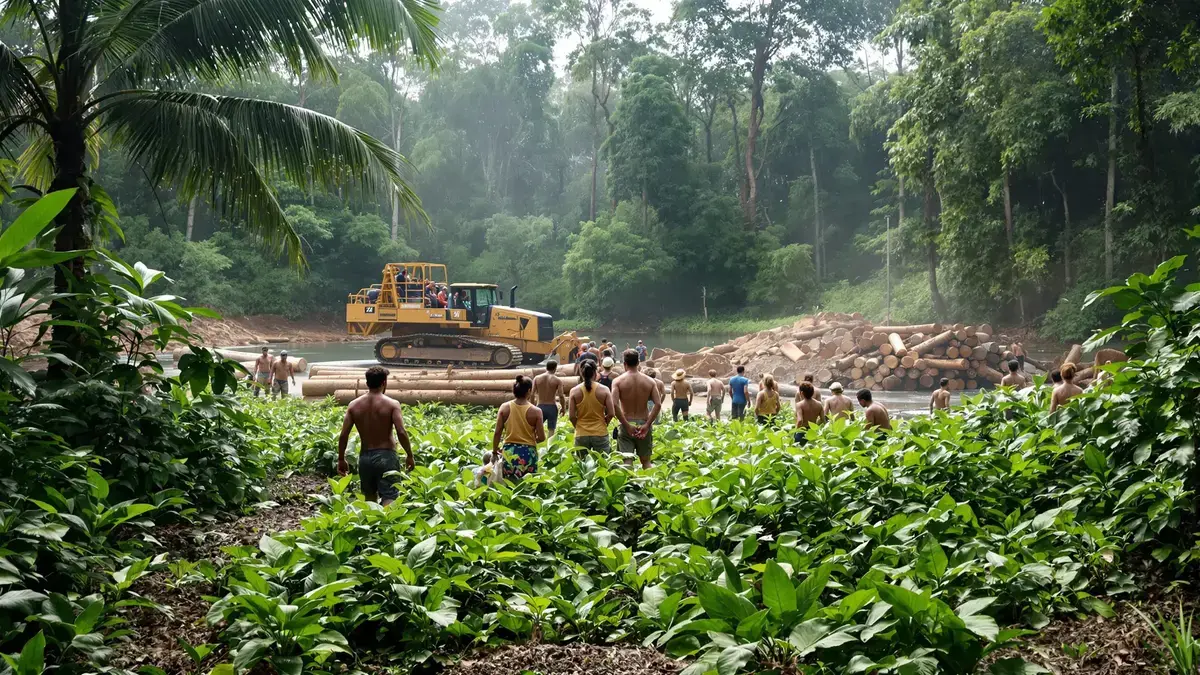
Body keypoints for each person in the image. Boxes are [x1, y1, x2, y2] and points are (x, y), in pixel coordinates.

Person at [336, 366, 415, 506]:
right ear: (384, 382)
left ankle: (372, 526)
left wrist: (341, 459)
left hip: (365, 458)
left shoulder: (353, 406)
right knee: (390, 495)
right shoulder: (392, 404)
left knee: (370, 497)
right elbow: (401, 432)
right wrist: (409, 455)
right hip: (387, 456)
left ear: (367, 383)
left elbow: (343, 435)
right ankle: (387, 526)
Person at [612, 349, 662, 468]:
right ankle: (649, 485)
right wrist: (647, 424)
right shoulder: (650, 381)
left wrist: (626, 424)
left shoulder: (617, 381)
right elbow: (658, 404)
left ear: (624, 364)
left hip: (626, 423)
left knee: (627, 462)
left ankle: (629, 486)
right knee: (646, 461)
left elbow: (614, 404)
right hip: (644, 423)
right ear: (638, 362)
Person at [492, 375, 545, 480]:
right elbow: (542, 437)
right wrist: (529, 441)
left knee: (509, 485)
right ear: (529, 391)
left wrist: (494, 451)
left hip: (509, 452)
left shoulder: (504, 408)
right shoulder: (536, 411)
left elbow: (497, 432)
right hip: (529, 453)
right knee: (527, 486)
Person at [569, 359, 615, 454]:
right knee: (603, 464)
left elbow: (572, 416)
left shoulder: (574, 391)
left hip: (581, 434)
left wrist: (578, 426)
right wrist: (604, 423)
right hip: (600, 432)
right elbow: (611, 413)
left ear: (581, 373)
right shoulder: (604, 390)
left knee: (582, 465)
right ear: (595, 372)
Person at [532, 361, 567, 434]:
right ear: (555, 368)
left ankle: (535, 443)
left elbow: (532, 394)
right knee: (551, 430)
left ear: (546, 367)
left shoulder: (537, 378)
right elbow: (561, 395)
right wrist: (563, 408)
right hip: (552, 407)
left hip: (540, 406)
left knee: (535, 429)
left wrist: (531, 406)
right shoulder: (557, 380)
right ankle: (549, 445)